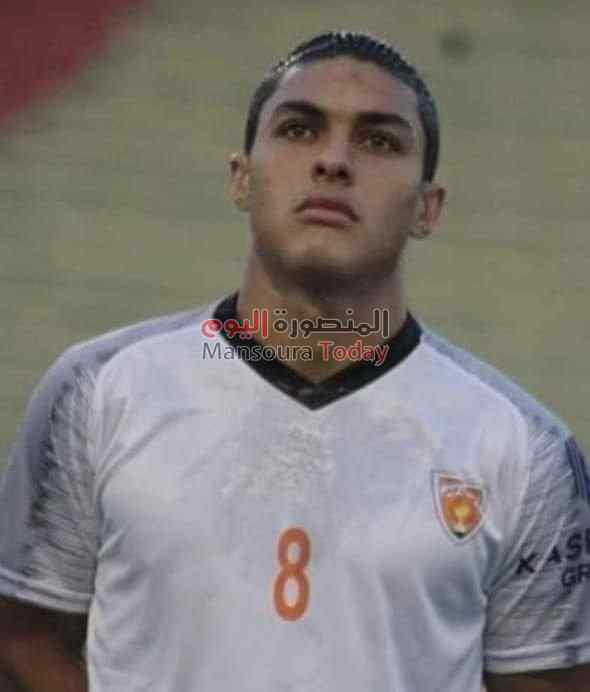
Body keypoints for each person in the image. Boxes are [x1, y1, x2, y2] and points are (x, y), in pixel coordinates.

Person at [0, 30, 589, 692]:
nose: (334, 161)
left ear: (427, 207)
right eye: (299, 130)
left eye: (379, 141)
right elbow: (24, 649)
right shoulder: (98, 391)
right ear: (242, 178)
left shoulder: (525, 450)